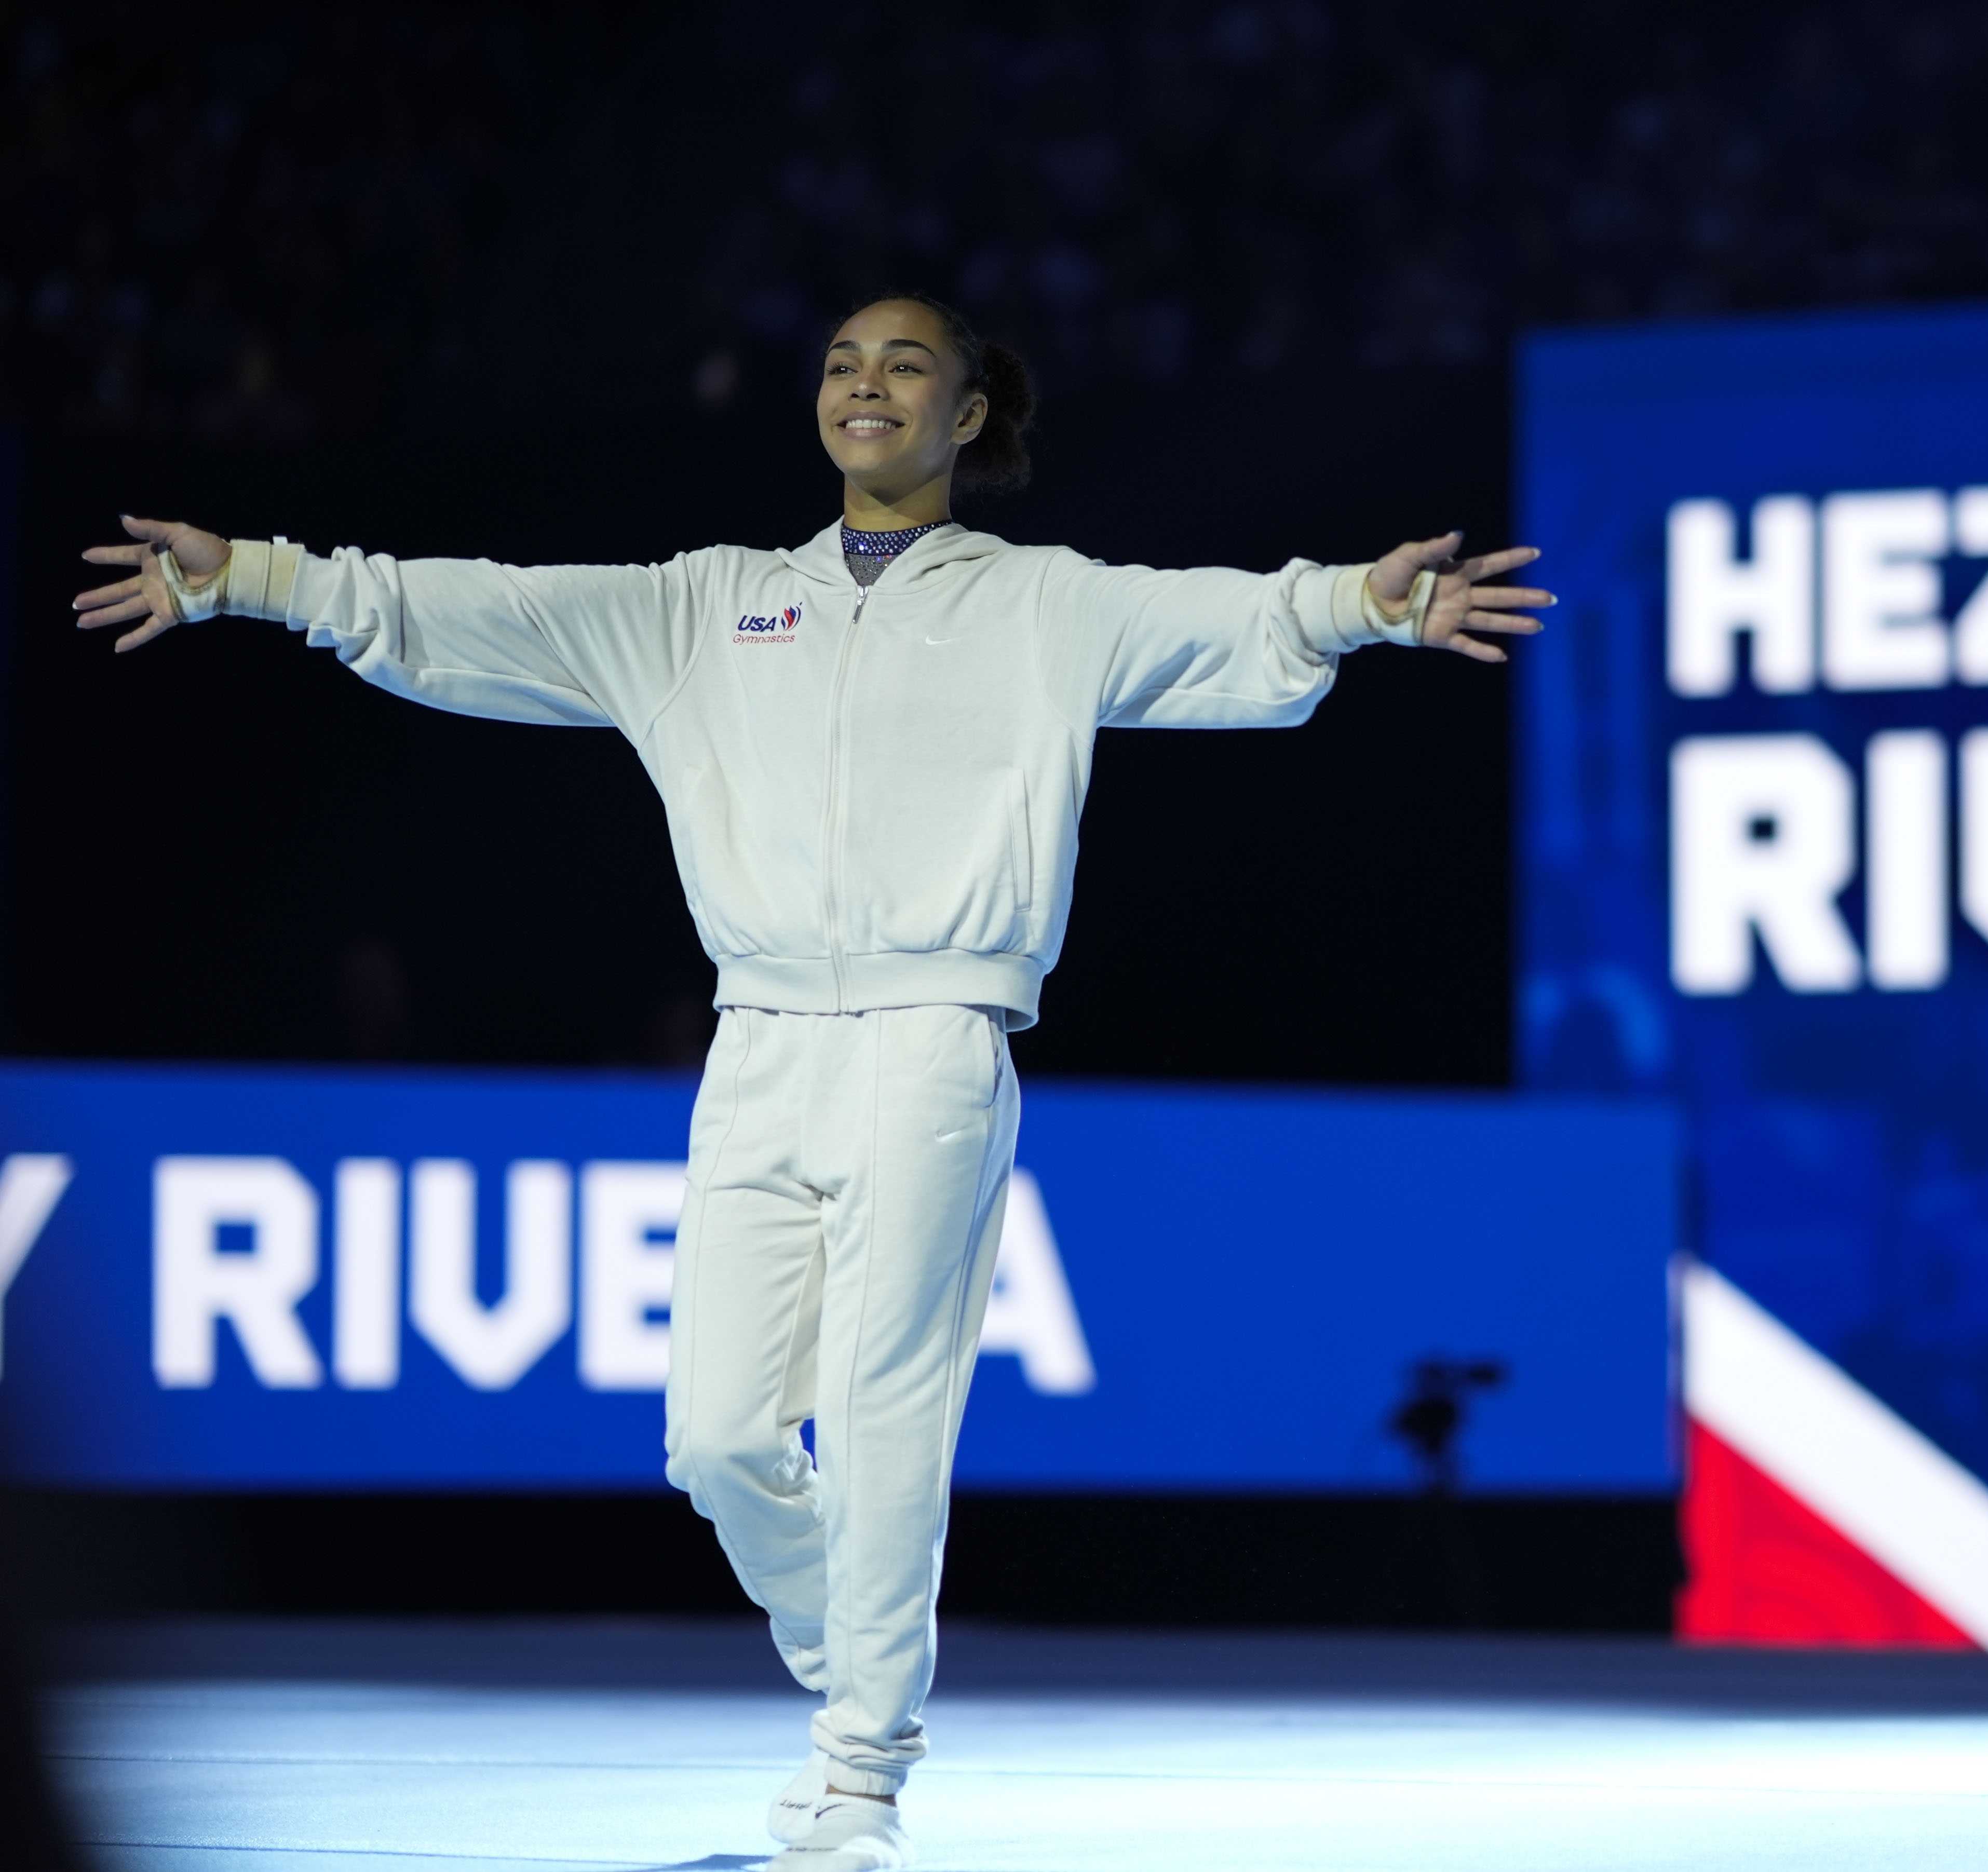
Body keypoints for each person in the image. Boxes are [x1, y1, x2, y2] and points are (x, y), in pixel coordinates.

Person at [72, 293, 1551, 1872]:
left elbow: (1231, 624)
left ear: (969, 414)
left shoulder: (1042, 603)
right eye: (845, 362)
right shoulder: (711, 605)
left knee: (882, 1413)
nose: (867, 383)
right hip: (759, 1042)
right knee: (713, 1439)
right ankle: (850, 1658)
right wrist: (264, 581)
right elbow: (484, 611)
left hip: (934, 1037)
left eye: (907, 362)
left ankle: (858, 1781)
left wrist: (1363, 606)